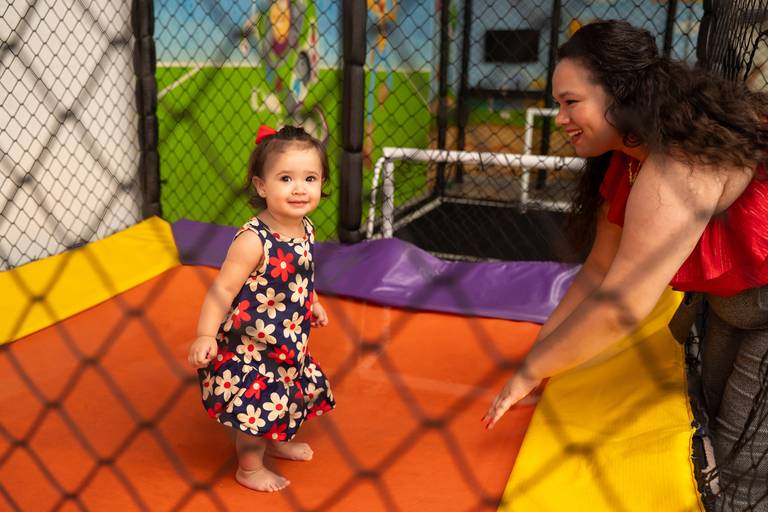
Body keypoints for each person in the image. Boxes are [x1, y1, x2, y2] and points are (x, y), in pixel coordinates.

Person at [482, 20, 768, 510]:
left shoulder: (680, 160)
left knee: (744, 470)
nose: (560, 118)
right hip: (734, 304)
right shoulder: (629, 156)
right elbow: (598, 272)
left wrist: (533, 370)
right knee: (714, 432)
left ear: (619, 93)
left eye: (571, 102)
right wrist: (538, 359)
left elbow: (623, 306)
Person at [188, 125, 335, 492]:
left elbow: (302, 275)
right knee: (256, 407)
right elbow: (222, 289)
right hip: (251, 346)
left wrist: (313, 302)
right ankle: (250, 469)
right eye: (286, 178)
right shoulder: (254, 240)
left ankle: (277, 441)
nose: (299, 188)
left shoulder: (306, 228)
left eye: (310, 178)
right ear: (261, 186)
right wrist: (205, 334)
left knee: (287, 396)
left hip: (288, 339)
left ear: (322, 183)